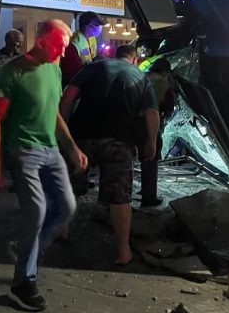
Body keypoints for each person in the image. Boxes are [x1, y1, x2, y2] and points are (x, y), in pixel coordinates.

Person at [0, 20, 88, 312]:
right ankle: (23, 283)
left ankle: (27, 253)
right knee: (37, 210)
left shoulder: (53, 68)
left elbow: (53, 112)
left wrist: (71, 147)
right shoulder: (12, 71)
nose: (64, 51)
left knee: (67, 208)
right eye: (60, 45)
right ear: (42, 41)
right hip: (23, 150)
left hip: (51, 150)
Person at [60, 44, 159, 266]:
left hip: (82, 136)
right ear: (133, 60)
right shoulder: (140, 76)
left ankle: (63, 229)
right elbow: (152, 113)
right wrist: (150, 142)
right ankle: (124, 251)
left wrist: (63, 132)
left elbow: (68, 97)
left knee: (70, 185)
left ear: (115, 56)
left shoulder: (93, 67)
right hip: (119, 141)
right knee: (120, 197)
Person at [139, 57, 176, 207]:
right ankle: (148, 196)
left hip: (131, 121)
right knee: (150, 158)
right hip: (150, 122)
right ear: (166, 71)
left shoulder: (141, 77)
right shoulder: (165, 84)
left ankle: (125, 195)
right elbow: (168, 108)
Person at [60, 11, 107, 86]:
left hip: (85, 82)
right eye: (97, 25)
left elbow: (91, 59)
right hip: (72, 85)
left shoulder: (92, 39)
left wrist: (99, 58)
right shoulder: (73, 44)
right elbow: (72, 72)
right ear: (87, 26)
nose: (100, 28)